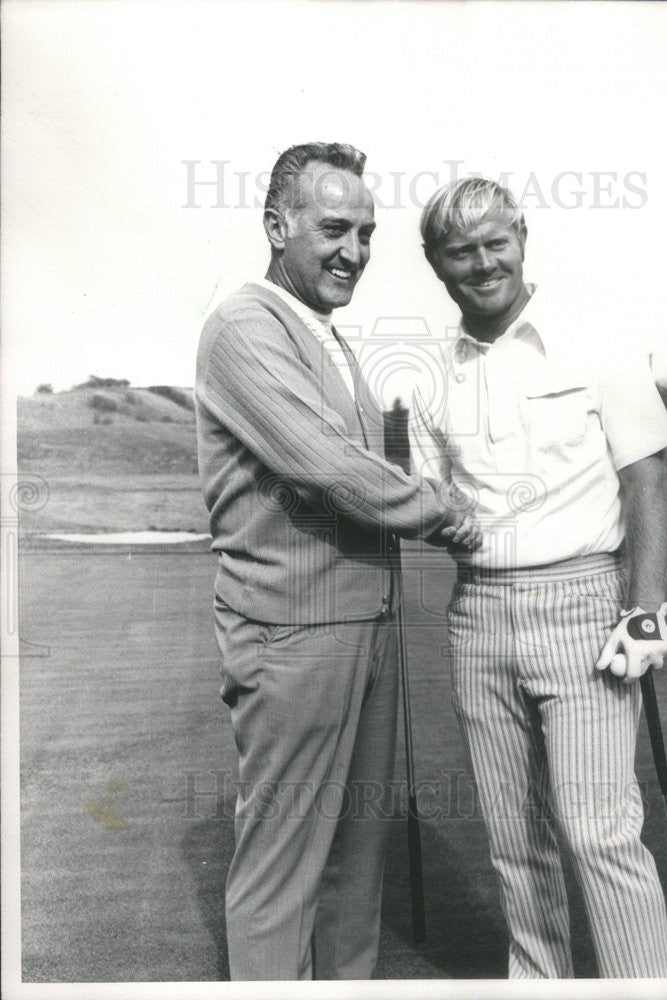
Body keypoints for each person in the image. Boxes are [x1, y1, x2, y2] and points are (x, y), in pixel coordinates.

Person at [194, 142, 479, 981]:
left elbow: (370, 462)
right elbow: (321, 463)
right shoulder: (244, 324)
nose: (352, 250)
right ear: (277, 227)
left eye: (365, 231)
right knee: (284, 869)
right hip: (293, 635)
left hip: (365, 626)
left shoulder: (327, 335)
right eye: (331, 228)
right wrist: (442, 511)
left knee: (356, 868)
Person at [408, 176, 667, 979]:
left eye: (495, 242)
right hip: (479, 613)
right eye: (460, 251)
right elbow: (423, 495)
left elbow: (647, 480)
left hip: (585, 602)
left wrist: (644, 611)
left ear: (523, 237)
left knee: (598, 830)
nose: (482, 263)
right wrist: (434, 510)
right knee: (513, 839)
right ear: (435, 264)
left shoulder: (594, 338)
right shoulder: (427, 372)